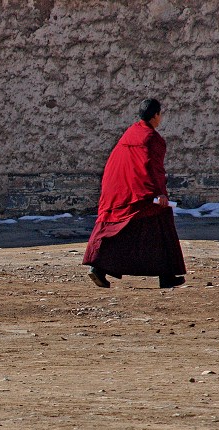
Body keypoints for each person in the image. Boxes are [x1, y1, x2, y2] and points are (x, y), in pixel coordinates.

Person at [82, 98, 186, 289]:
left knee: (121, 229)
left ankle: (99, 268)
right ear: (155, 115)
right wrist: (160, 193)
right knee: (162, 223)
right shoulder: (152, 139)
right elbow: (152, 168)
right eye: (160, 114)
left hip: (118, 188)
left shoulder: (130, 133)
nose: (160, 118)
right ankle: (167, 275)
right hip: (139, 191)